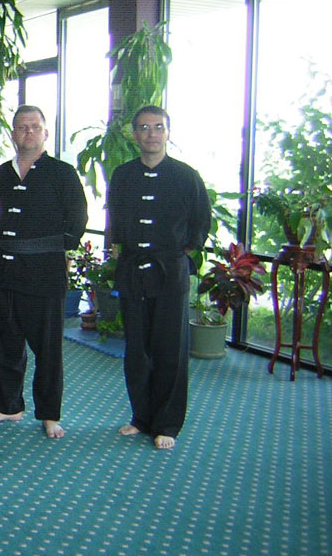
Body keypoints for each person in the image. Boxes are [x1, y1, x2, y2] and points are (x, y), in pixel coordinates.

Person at [0, 105, 88, 439]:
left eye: (34, 126)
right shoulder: (3, 173)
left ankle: (50, 414)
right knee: (5, 345)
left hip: (44, 274)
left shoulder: (62, 173)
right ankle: (9, 406)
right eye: (21, 127)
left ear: (45, 133)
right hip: (6, 271)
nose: (28, 132)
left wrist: (49, 249)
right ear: (13, 134)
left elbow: (77, 220)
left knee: (48, 349)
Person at [107, 105, 211, 450]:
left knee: (169, 348)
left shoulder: (186, 176)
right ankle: (141, 417)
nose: (151, 134)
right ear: (135, 135)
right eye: (144, 128)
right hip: (133, 269)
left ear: (168, 132)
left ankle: (166, 423)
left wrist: (180, 251)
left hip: (170, 271)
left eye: (158, 127)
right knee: (137, 348)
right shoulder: (123, 175)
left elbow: (201, 222)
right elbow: (115, 218)